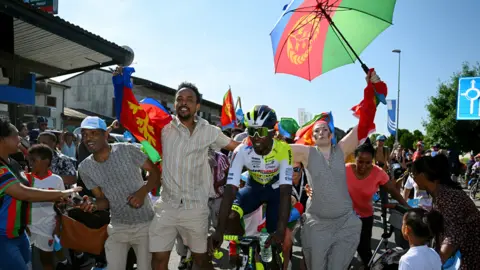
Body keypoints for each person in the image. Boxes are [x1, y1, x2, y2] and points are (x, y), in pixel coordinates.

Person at [290, 70, 385, 269]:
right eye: (317, 130)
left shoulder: (341, 151)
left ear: (332, 135)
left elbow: (364, 123)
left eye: (326, 129)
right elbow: (275, 151)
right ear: (313, 138)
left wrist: (370, 91)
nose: (322, 132)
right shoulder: (306, 153)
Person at [148, 81, 239, 270]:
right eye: (179, 99)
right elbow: (134, 120)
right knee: (158, 259)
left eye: (189, 99)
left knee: (201, 259)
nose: (184, 103)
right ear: (174, 104)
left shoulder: (209, 131)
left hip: (195, 208)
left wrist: (264, 143)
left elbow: (236, 148)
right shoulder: (163, 128)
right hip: (166, 206)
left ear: (197, 106)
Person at [210, 105, 293, 265]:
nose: (255, 137)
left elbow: (285, 193)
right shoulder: (242, 150)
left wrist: (281, 230)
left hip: (275, 191)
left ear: (272, 132)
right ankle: (245, 249)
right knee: (231, 216)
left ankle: (273, 259)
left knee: (274, 242)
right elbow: (230, 190)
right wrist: (219, 230)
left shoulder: (283, 149)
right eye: (251, 131)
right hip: (253, 188)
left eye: (261, 132)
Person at [77, 116, 160, 270]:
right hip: (117, 226)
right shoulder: (85, 168)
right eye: (85, 134)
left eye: (93, 133)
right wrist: (94, 205)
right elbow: (104, 200)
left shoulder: (127, 149)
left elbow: (155, 173)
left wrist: (142, 192)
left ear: (105, 135)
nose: (88, 138)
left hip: (145, 224)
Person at [0, 119, 81, 270]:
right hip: (3, 236)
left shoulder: (13, 164)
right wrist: (61, 193)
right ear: (3, 139)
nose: (20, 139)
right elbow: (25, 193)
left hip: (20, 233)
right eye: (16, 135)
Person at [346, 141, 410, 267]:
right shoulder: (346, 169)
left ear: (373, 160)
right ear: (355, 158)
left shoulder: (378, 173)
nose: (363, 166)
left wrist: (407, 206)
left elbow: (392, 190)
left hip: (365, 218)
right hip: (344, 218)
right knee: (343, 252)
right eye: (360, 161)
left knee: (365, 252)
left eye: (368, 162)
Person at [411, 155, 480, 269]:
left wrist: (435, 263)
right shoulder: (440, 192)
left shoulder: (448, 196)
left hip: (468, 255)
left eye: (414, 174)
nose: (413, 179)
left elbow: (452, 236)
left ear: (422, 175)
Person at [27, 144, 67, 270]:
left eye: (34, 160)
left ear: (46, 161)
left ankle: (64, 261)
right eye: (29, 160)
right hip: (27, 227)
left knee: (46, 260)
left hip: (47, 226)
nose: (30, 163)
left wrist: (58, 226)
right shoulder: (25, 179)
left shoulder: (56, 180)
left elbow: (61, 206)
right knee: (25, 260)